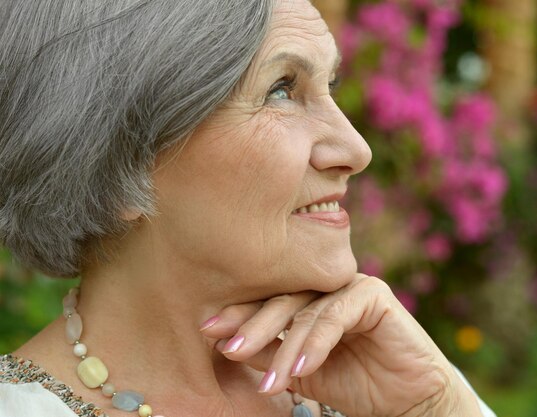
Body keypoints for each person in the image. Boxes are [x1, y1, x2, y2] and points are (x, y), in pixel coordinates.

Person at [0, 0, 496, 416]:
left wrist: (437, 406)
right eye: (281, 89)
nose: (356, 149)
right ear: (117, 166)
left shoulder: (399, 390)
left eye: (331, 87)